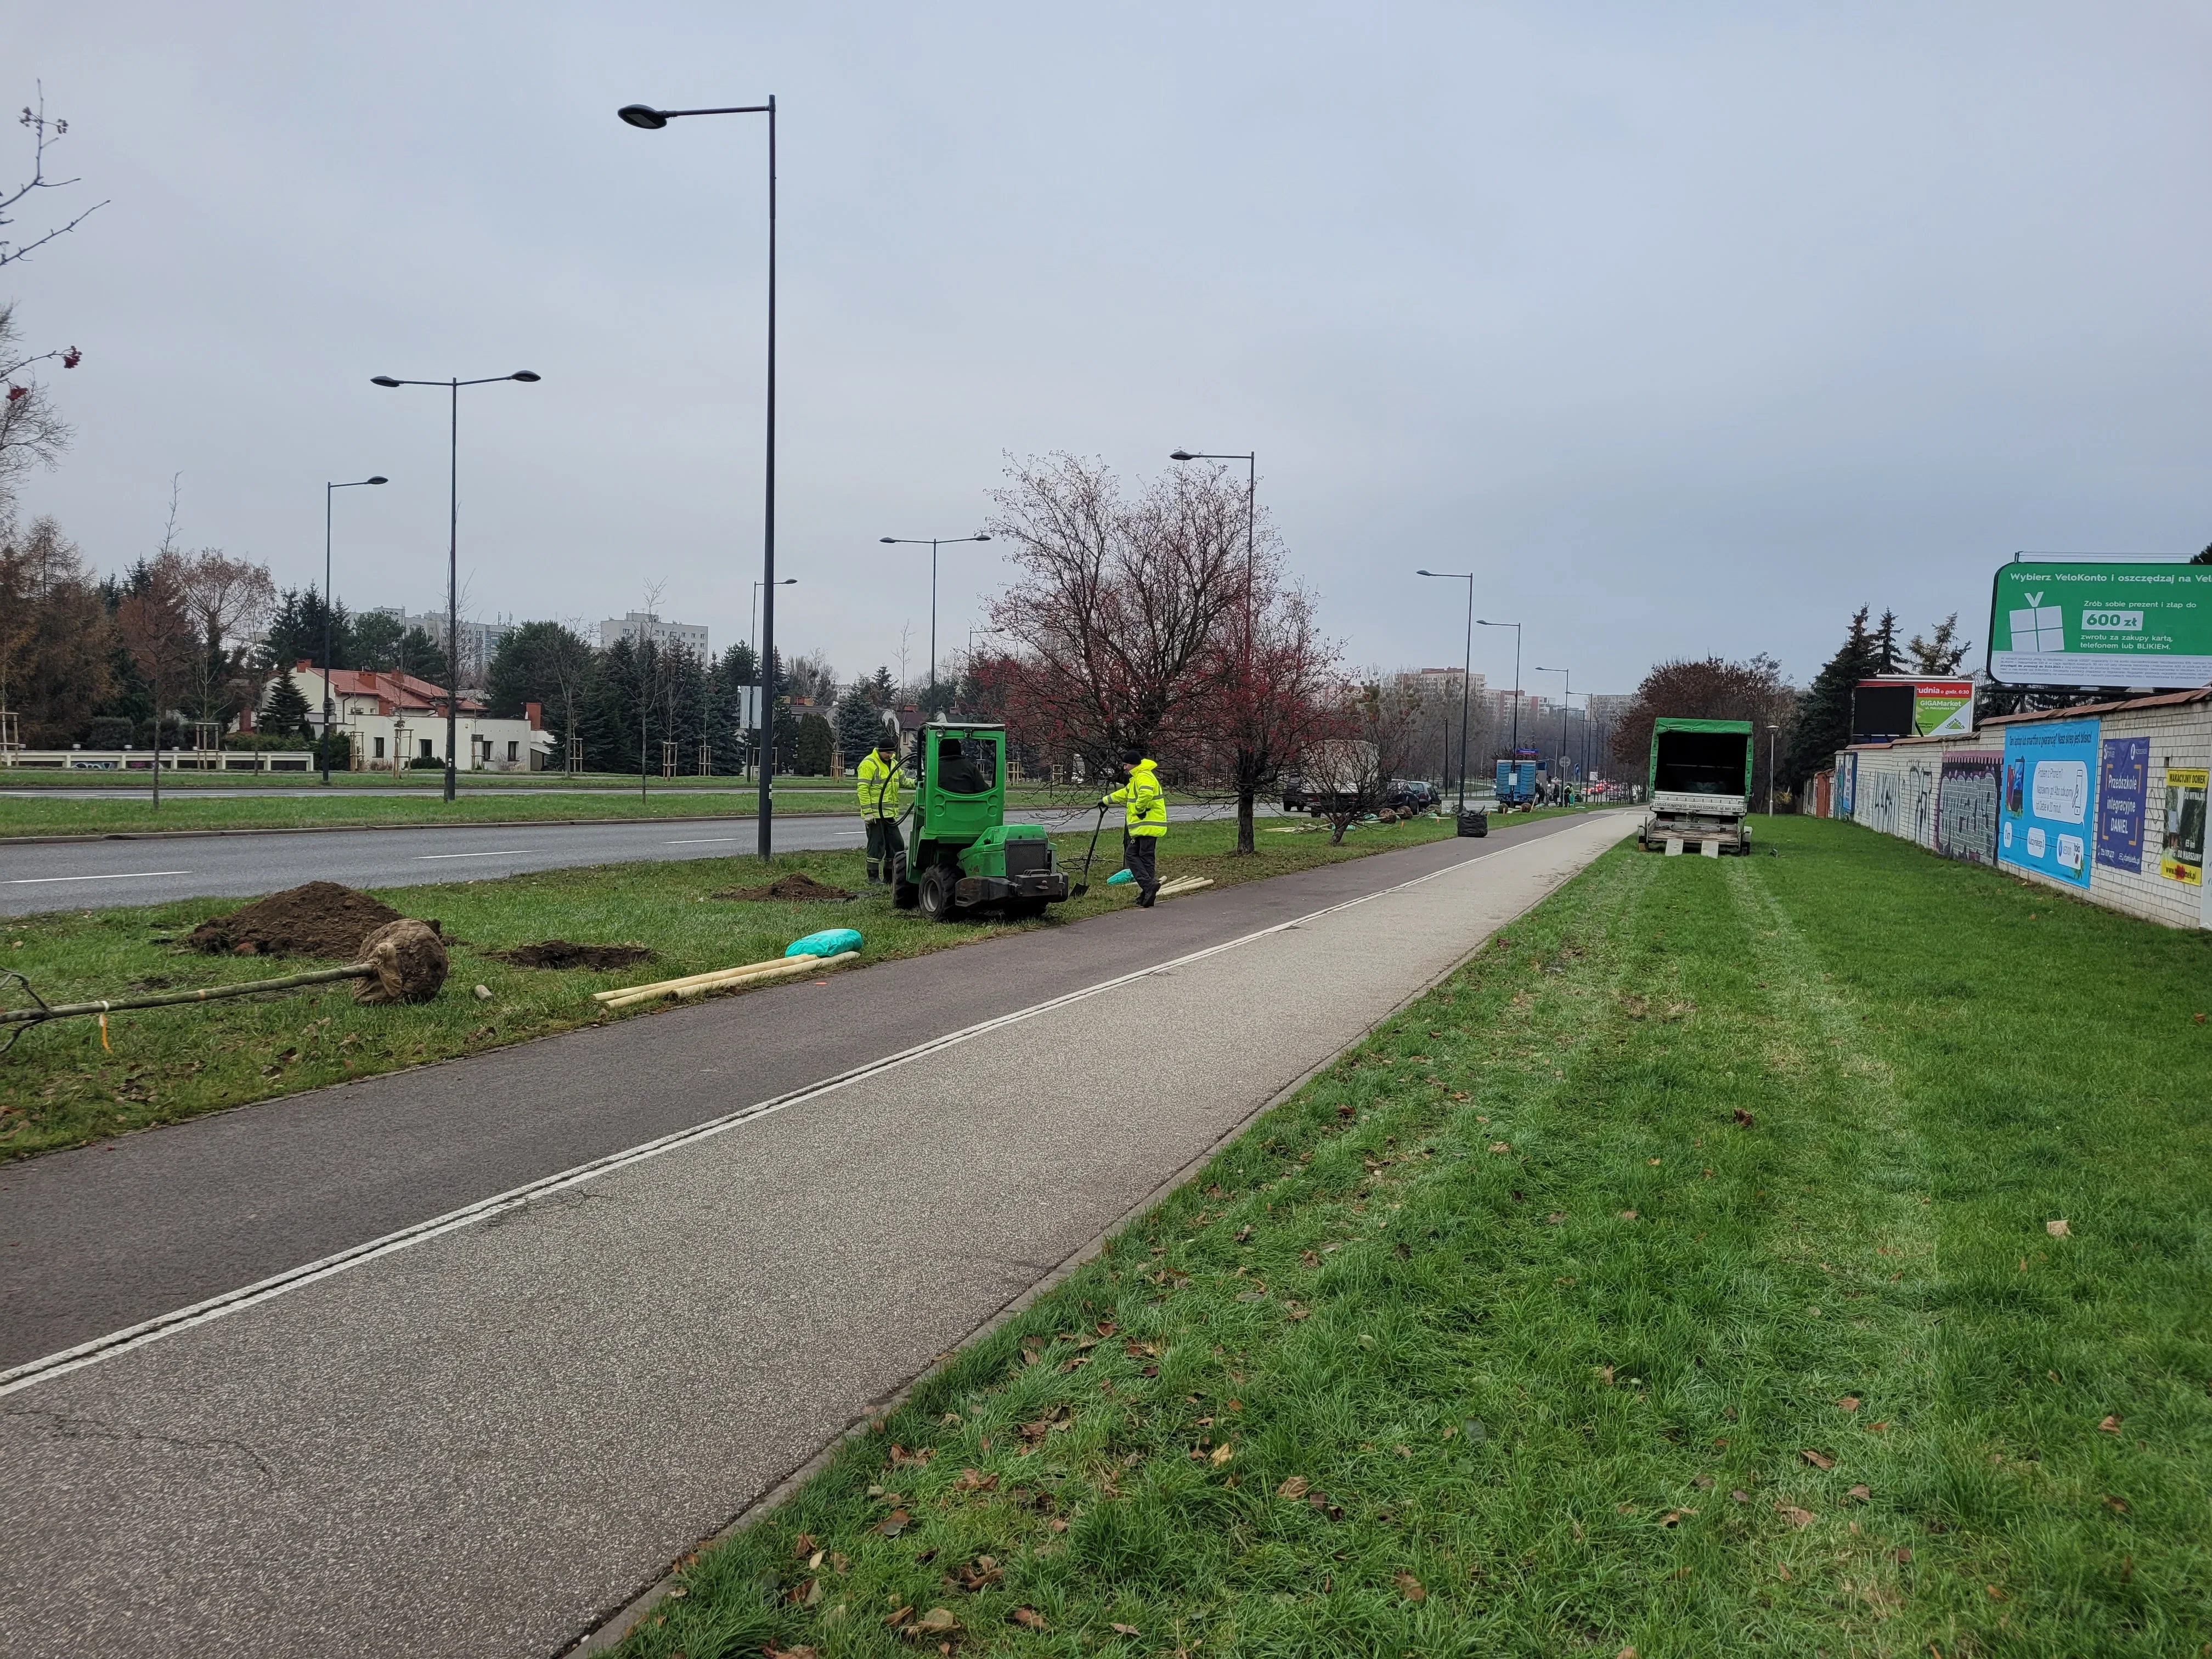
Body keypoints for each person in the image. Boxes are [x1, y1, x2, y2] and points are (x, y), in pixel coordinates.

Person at [1103, 746, 1166, 907]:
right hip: (1145, 827)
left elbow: (1146, 795)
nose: (1124, 768)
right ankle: (1147, 894)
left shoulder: (1144, 776)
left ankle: (1148, 886)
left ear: (1133, 764)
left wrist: (1139, 809)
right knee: (1145, 860)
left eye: (1126, 765)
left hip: (1147, 825)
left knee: (1133, 856)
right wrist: (1105, 801)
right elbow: (1125, 794)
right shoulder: (1137, 778)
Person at [856, 736, 904, 885]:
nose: (890, 755)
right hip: (875, 816)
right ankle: (873, 878)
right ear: (881, 751)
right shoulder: (869, 764)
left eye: (892, 753)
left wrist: (920, 784)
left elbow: (903, 781)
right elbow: (863, 790)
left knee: (896, 844)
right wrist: (868, 813)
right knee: (876, 846)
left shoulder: (894, 764)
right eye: (888, 753)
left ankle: (889, 878)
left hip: (890, 815)